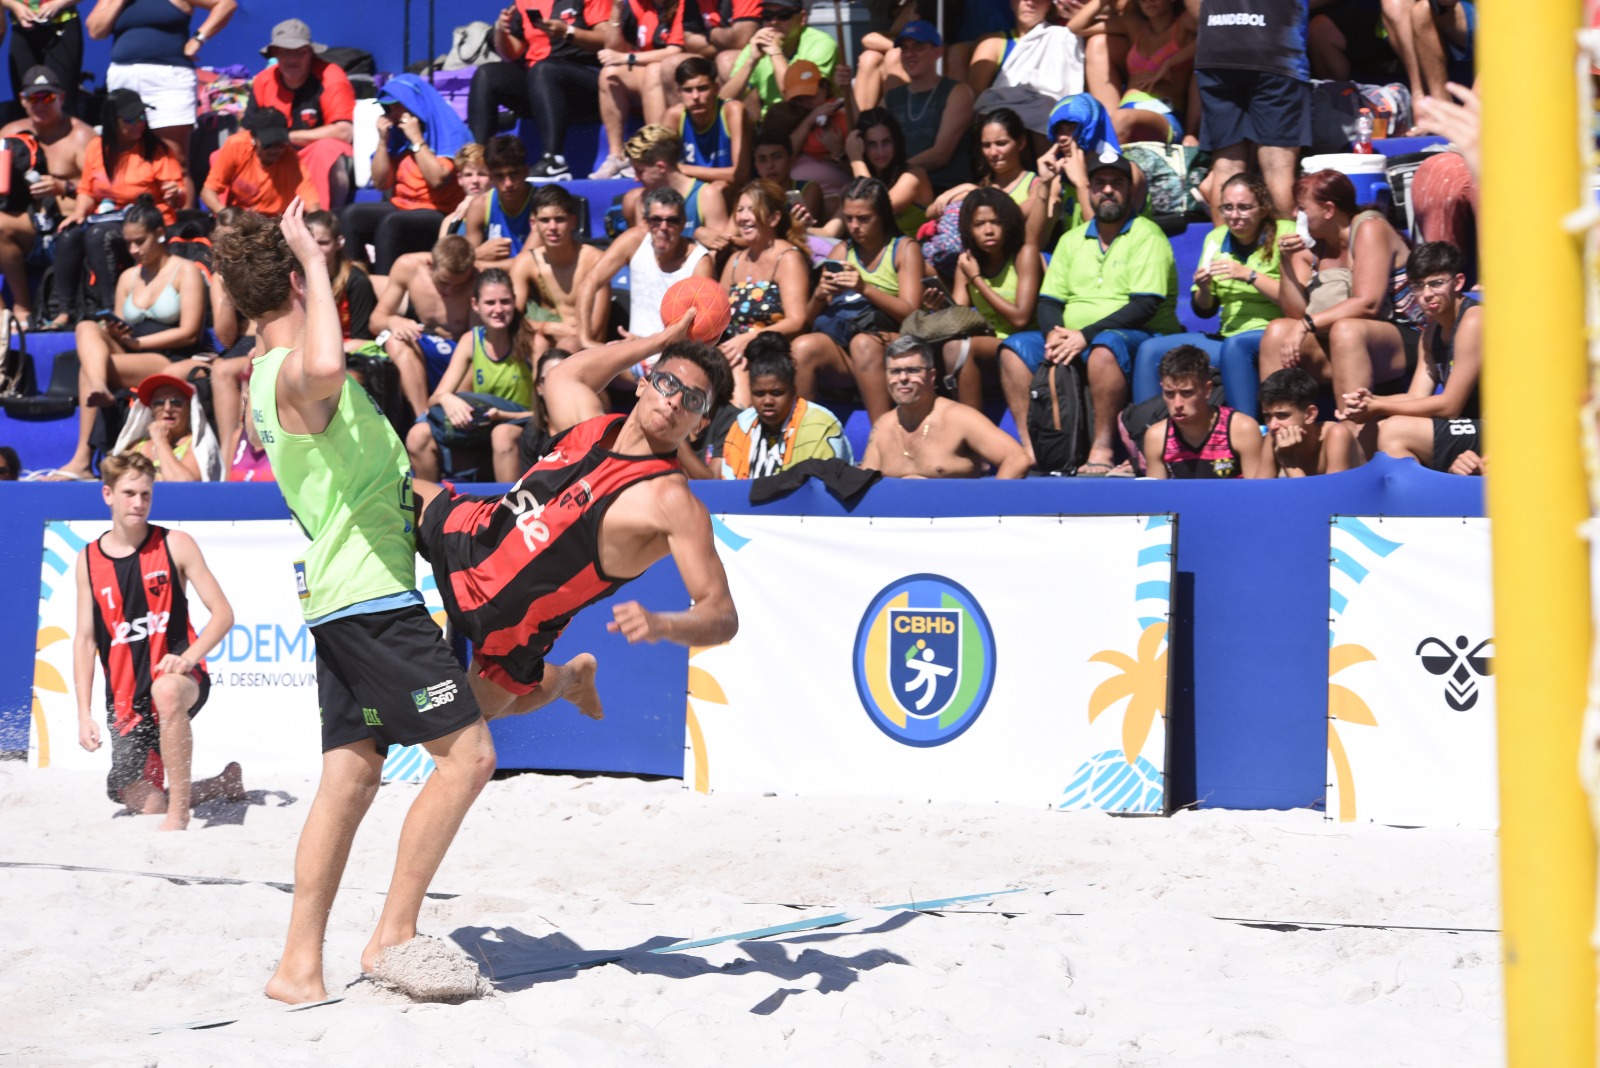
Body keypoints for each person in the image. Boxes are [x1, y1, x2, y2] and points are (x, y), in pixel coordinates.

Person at [214, 201, 496, 1004]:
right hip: (369, 598)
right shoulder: (286, 372)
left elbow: (374, 458)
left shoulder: (283, 372)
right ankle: (392, 936)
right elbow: (326, 369)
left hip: (348, 594)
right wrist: (308, 255)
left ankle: (297, 967)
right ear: (300, 285)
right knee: (468, 756)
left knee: (348, 779)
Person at [412, 304, 739, 722]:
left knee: (452, 725)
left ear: (698, 424)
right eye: (667, 383)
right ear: (643, 384)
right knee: (384, 497)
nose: (674, 400)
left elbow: (722, 615)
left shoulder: (671, 501)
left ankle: (569, 679)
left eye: (692, 399)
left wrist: (662, 624)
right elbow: (564, 375)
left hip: (511, 627)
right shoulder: (591, 424)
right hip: (469, 533)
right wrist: (657, 341)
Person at [73, 453, 241, 830]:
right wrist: (84, 714)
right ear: (107, 495)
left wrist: (187, 658)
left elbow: (223, 615)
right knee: (145, 803)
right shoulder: (87, 560)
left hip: (181, 675)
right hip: (126, 702)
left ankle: (180, 815)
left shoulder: (175, 543)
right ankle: (223, 783)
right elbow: (85, 642)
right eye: (129, 493)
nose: (138, 503)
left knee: (166, 692)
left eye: (145, 494)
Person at [1001, 150, 1178, 475]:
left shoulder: (1147, 235)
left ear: (1129, 190)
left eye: (1117, 183)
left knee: (1103, 350)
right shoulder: (1071, 239)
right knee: (1014, 349)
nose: (1108, 190)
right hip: (1076, 337)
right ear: (1090, 189)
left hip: (1138, 334)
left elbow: (1145, 305)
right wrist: (1055, 334)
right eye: (1099, 183)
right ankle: (1030, 449)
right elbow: (1049, 302)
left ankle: (1103, 447)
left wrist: (1085, 336)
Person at [53, 196, 209, 480]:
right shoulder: (128, 277)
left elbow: (188, 333)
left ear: (159, 234)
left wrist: (137, 344)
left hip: (167, 354)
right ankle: (100, 385)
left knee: (88, 369)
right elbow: (117, 323)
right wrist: (116, 332)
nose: (134, 250)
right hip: (131, 348)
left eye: (140, 241)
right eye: (128, 243)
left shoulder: (185, 272)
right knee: (87, 327)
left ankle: (82, 460)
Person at [1132, 171, 1306, 418]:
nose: (1235, 216)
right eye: (1228, 208)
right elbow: (1204, 310)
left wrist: (1249, 275)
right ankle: (1146, 433)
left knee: (1235, 347)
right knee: (1150, 350)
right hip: (1227, 335)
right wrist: (1203, 288)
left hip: (1271, 332)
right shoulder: (1216, 238)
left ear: (1263, 208)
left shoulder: (1285, 233)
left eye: (1244, 208)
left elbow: (1296, 303)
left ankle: (1246, 430)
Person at [1258, 169, 1426, 417]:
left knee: (1346, 330)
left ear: (1328, 209)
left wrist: (1306, 324)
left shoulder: (1369, 227)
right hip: (1340, 341)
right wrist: (1285, 260)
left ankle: (1353, 435)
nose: (1295, 215)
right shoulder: (1312, 247)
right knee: (1277, 331)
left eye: (1302, 208)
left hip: (1404, 338)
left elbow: (1368, 304)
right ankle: (1283, 429)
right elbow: (1295, 313)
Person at [1341, 241, 1482, 472]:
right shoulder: (1430, 334)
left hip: (1503, 432)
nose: (1427, 295)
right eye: (1418, 286)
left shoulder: (1474, 319)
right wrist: (1368, 402)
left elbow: (1450, 407)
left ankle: (1418, 505)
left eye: (1436, 284)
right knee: (1366, 428)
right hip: (1466, 425)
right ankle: (1368, 504)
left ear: (1458, 283)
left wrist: (1379, 405)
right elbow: (1415, 396)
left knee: (1394, 430)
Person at [794, 176, 925, 422]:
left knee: (863, 343)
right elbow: (808, 322)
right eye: (849, 218)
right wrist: (819, 296)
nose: (854, 226)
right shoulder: (842, 250)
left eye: (864, 219)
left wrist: (864, 288)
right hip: (846, 345)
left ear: (883, 216)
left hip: (891, 343)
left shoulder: (904, 249)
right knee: (802, 347)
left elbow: (910, 313)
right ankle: (805, 442)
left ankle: (880, 436)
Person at [51, 89, 183, 323]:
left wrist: (175, 194)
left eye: (142, 117)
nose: (138, 124)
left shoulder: (158, 150)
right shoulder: (97, 147)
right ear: (112, 121)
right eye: (130, 119)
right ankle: (64, 311)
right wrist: (79, 213)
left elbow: (178, 199)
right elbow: (86, 190)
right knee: (68, 234)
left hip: (148, 221)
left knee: (97, 236)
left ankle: (112, 309)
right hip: (107, 215)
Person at [88, 0, 236, 209]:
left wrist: (198, 38)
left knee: (175, 159)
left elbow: (226, 4)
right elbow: (96, 31)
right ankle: (137, 227)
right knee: (128, 155)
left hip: (168, 79)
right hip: (124, 79)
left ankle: (181, 232)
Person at [405, 268, 533, 482]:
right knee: (418, 435)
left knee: (502, 435)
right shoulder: (470, 341)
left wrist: (505, 417)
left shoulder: (532, 341)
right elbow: (435, 398)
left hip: (520, 431)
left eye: (505, 301)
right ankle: (430, 510)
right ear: (475, 305)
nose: (498, 309)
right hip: (482, 432)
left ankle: (510, 513)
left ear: (515, 301)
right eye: (490, 303)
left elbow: (545, 413)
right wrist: (447, 398)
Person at [340, 74, 468, 274]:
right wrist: (382, 141)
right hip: (404, 206)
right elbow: (382, 183)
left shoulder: (446, 130)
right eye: (388, 108)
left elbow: (437, 179)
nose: (393, 113)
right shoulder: (396, 135)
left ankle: (385, 290)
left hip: (440, 211)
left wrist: (416, 139)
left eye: (397, 106)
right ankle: (356, 284)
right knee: (350, 216)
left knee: (392, 224)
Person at [1192, 0, 1309, 218]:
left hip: (1216, 42)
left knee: (1226, 166)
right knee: (1278, 168)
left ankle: (1221, 250)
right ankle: (1283, 250)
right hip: (1275, 49)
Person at [469, 0, 609, 181]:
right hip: (542, 88)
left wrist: (568, 32)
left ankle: (554, 161)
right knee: (487, 74)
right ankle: (479, 164)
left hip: (586, 86)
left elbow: (607, 39)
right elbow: (513, 52)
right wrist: (501, 32)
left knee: (544, 70)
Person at [0, 64, 94, 327]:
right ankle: (16, 311)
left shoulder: (81, 137)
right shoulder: (9, 134)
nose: (41, 104)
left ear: (61, 97)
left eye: (48, 97)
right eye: (34, 98)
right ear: (22, 100)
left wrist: (65, 188)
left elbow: (104, 190)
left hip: (69, 233)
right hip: (29, 228)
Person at [861, 336, 1030, 479]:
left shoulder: (960, 418)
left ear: (932, 375)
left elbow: (1017, 458)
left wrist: (990, 506)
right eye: (895, 372)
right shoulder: (883, 425)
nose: (903, 378)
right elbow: (863, 481)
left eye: (913, 370)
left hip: (954, 515)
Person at [948, 186, 1040, 433]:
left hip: (1028, 343)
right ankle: (970, 436)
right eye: (979, 224)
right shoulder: (967, 262)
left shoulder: (1024, 254)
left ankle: (978, 438)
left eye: (995, 222)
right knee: (953, 346)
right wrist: (939, 305)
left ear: (1008, 223)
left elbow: (1020, 317)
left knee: (963, 348)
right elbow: (959, 316)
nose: (988, 230)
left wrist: (976, 279)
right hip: (991, 347)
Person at [576, 186, 714, 351]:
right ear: (647, 222)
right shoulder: (634, 241)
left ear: (683, 223)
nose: (663, 227)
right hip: (634, 353)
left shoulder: (699, 261)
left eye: (672, 220)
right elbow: (589, 283)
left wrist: (647, 342)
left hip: (674, 355)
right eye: (656, 220)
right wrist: (585, 339)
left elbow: (699, 328)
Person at [589, 0, 710, 180]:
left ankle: (655, 150)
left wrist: (627, 58)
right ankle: (616, 157)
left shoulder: (681, 4)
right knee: (609, 74)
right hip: (644, 66)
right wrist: (616, 11)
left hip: (675, 70)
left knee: (654, 70)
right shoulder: (638, 4)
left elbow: (674, 51)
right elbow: (612, 50)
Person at [246, 20, 356, 211]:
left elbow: (344, 132)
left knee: (326, 148)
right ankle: (233, 227)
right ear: (275, 54)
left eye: (300, 52)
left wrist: (285, 137)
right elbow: (246, 130)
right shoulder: (263, 80)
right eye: (284, 52)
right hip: (272, 157)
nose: (292, 59)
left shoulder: (331, 76)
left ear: (311, 53)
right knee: (228, 150)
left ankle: (320, 225)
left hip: (312, 158)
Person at [370, 236, 479, 420]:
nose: (449, 291)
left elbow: (478, 342)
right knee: (395, 340)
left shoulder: (478, 278)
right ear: (430, 264)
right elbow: (375, 321)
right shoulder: (408, 267)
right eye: (443, 282)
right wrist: (393, 321)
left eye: (459, 285)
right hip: (427, 343)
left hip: (460, 352)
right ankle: (423, 418)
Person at [717, 179, 809, 394]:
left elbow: (797, 321)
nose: (743, 217)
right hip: (735, 353)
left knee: (737, 376)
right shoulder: (735, 261)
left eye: (752, 210)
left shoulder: (787, 258)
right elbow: (716, 317)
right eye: (740, 210)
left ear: (774, 218)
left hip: (771, 354)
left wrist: (749, 339)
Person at [720, 332, 849, 478]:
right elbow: (730, 485)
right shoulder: (742, 425)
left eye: (777, 393)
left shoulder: (820, 424)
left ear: (793, 390)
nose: (767, 401)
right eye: (759, 394)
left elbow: (821, 490)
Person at [1068, 0, 1198, 144]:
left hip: (1164, 115)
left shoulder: (1184, 24)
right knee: (1097, 41)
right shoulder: (1134, 26)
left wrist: (1170, 62)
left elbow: (1215, 35)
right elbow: (1076, 27)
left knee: (1120, 121)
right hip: (1123, 113)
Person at [925, 108, 1047, 260]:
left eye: (1001, 143)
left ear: (1021, 143)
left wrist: (969, 191)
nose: (993, 152)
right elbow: (930, 212)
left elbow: (1010, 218)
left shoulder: (1035, 185)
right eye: (986, 145)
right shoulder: (981, 186)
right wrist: (955, 193)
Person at [1141, 344, 1266, 479]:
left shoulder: (1241, 429)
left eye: (1187, 393)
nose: (1177, 404)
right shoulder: (1157, 437)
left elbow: (1255, 493)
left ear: (1207, 390)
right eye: (1169, 393)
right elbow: (1157, 496)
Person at [509, 184, 606, 359]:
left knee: (566, 345)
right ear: (533, 223)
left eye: (559, 219)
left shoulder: (595, 261)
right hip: (544, 342)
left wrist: (562, 334)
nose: (552, 227)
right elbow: (510, 319)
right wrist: (550, 327)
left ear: (573, 222)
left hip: (583, 349)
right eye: (545, 220)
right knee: (538, 342)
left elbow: (595, 332)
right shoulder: (525, 263)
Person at [967, 0, 1086, 137]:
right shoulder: (993, 44)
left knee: (1044, 108)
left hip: (1044, 124)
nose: (1029, 3)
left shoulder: (1064, 37)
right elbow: (975, 99)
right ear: (1012, 3)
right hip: (1000, 125)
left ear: (1048, 5)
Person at [882, 21, 974, 192]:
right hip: (900, 189)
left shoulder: (956, 92)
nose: (909, 54)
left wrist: (894, 171)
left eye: (918, 47)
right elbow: (869, 135)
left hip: (944, 190)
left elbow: (940, 155)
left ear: (937, 52)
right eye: (904, 48)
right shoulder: (892, 97)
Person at [720, 0, 839, 122]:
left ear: (802, 18)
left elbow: (795, 97)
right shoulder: (757, 45)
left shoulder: (821, 44)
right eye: (767, 15)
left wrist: (775, 52)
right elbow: (723, 102)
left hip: (816, 119)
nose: (774, 22)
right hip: (773, 125)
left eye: (784, 15)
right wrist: (751, 61)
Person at [618, 123, 730, 239]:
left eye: (640, 171)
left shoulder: (706, 196)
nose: (636, 179)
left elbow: (721, 249)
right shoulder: (641, 200)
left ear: (661, 167)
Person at [200, 108, 320, 215]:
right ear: (254, 139)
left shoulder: (291, 159)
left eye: (280, 144)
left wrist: (317, 221)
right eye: (268, 144)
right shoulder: (236, 146)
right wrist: (226, 217)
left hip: (277, 222)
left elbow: (312, 203)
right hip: (243, 220)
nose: (275, 150)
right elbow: (208, 192)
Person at [663, 55, 753, 189]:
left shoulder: (732, 111)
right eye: (688, 90)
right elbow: (661, 169)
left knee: (717, 188)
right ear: (679, 93)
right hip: (692, 189)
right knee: (632, 198)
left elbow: (740, 175)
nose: (695, 97)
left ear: (716, 88)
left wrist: (682, 169)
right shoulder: (675, 116)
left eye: (702, 88)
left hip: (732, 191)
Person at [1258, 367, 1362, 477]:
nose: (1273, 425)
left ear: (1309, 415)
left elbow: (1332, 493)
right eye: (1267, 416)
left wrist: (1288, 461)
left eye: (1283, 415)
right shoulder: (1274, 437)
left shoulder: (1337, 434)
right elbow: (1257, 491)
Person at [847, 108, 931, 239]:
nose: (880, 151)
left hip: (913, 253)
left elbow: (872, 207)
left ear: (896, 141)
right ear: (862, 146)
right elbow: (830, 232)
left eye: (886, 142)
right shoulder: (865, 175)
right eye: (872, 144)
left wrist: (856, 160)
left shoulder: (914, 175)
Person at [120, 372, 206, 481]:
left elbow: (183, 486)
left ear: (189, 408)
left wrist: (161, 442)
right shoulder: (137, 447)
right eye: (159, 402)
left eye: (176, 402)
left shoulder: (197, 445)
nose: (167, 408)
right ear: (151, 410)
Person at [463, 134, 533, 266]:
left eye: (513, 174)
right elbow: (465, 266)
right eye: (500, 176)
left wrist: (479, 262)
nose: (508, 184)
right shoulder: (480, 206)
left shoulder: (542, 204)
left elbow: (527, 266)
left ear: (526, 172)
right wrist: (478, 254)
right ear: (491, 177)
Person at [6, 0, 84, 118]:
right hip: (22, 29)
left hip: (63, 24)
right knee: (25, 102)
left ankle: (63, 135)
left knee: (62, 103)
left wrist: (58, 4)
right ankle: (26, 136)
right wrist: (15, 6)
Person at [749, 127, 825, 231]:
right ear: (756, 166)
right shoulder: (750, 194)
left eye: (777, 157)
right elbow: (732, 231)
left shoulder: (808, 189)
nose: (770, 165)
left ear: (791, 160)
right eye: (762, 159)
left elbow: (795, 231)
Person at [439, 143, 493, 240]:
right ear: (460, 179)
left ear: (492, 177)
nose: (475, 180)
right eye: (468, 175)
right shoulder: (450, 221)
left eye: (482, 174)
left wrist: (475, 204)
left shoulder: (499, 210)